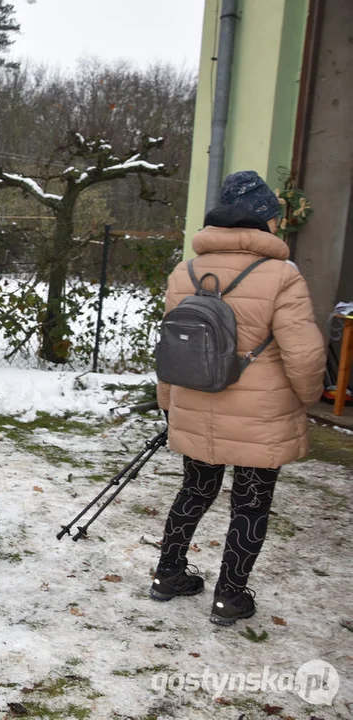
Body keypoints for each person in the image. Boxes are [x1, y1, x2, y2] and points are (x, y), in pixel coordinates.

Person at [151, 170, 325, 626]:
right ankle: (230, 595)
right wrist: (307, 398)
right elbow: (303, 355)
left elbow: (171, 347)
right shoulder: (282, 275)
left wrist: (168, 402)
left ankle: (168, 574)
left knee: (194, 488)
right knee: (250, 503)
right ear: (265, 219)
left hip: (195, 400)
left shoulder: (183, 271)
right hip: (259, 413)